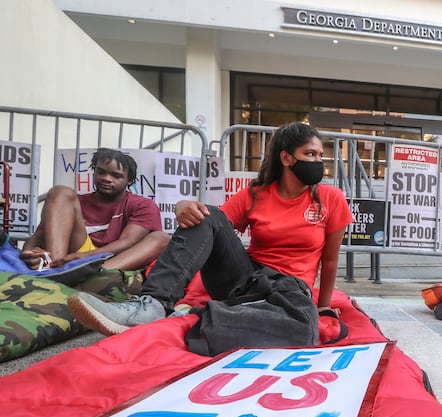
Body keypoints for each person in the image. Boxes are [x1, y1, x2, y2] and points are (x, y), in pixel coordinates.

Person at [68, 122, 354, 336]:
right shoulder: (256, 194)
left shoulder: (331, 198)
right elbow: (210, 225)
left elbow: (329, 261)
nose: (319, 162)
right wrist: (183, 205)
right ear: (287, 158)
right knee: (206, 214)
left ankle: (193, 319)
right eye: (311, 154)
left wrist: (323, 305)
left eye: (320, 155)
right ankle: (152, 305)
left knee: (304, 328)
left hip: (290, 289)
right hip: (245, 278)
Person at [20, 148, 169, 271]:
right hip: (69, 256)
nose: (106, 178)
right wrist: (30, 254)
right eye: (101, 172)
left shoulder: (143, 205)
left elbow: (127, 242)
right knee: (61, 192)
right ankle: (52, 265)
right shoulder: (73, 202)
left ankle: (96, 272)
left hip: (114, 261)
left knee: (161, 238)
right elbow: (40, 234)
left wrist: (85, 257)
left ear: (129, 180)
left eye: (116, 176)